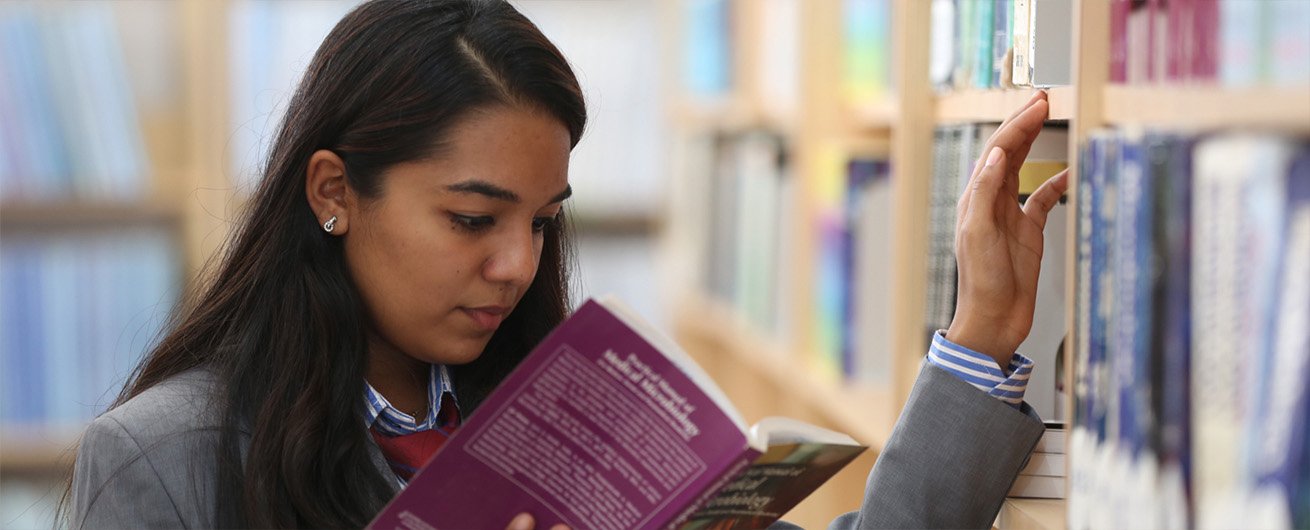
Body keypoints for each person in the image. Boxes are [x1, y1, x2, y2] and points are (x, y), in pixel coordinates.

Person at [67, 1, 1068, 529]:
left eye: (544, 220)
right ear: (334, 191)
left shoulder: (582, 419)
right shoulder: (167, 458)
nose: (515, 265)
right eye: (470, 219)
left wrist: (977, 337)